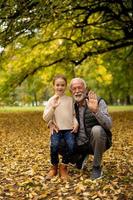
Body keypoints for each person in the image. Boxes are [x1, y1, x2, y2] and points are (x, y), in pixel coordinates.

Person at [69, 78, 112, 180]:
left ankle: (96, 166)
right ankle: (80, 157)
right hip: (79, 144)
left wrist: (96, 111)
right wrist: (51, 123)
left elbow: (109, 124)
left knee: (97, 130)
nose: (77, 91)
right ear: (71, 91)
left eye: (80, 87)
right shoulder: (70, 105)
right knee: (56, 138)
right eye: (74, 88)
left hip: (95, 142)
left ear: (85, 89)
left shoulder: (98, 101)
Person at [43, 74, 78, 180]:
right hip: (57, 129)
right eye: (57, 85)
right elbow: (45, 117)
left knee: (72, 146)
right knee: (54, 146)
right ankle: (54, 167)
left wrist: (76, 122)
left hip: (69, 129)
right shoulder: (51, 100)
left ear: (66, 86)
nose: (60, 87)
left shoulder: (70, 100)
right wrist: (53, 108)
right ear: (53, 86)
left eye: (62, 85)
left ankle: (63, 166)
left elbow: (73, 115)